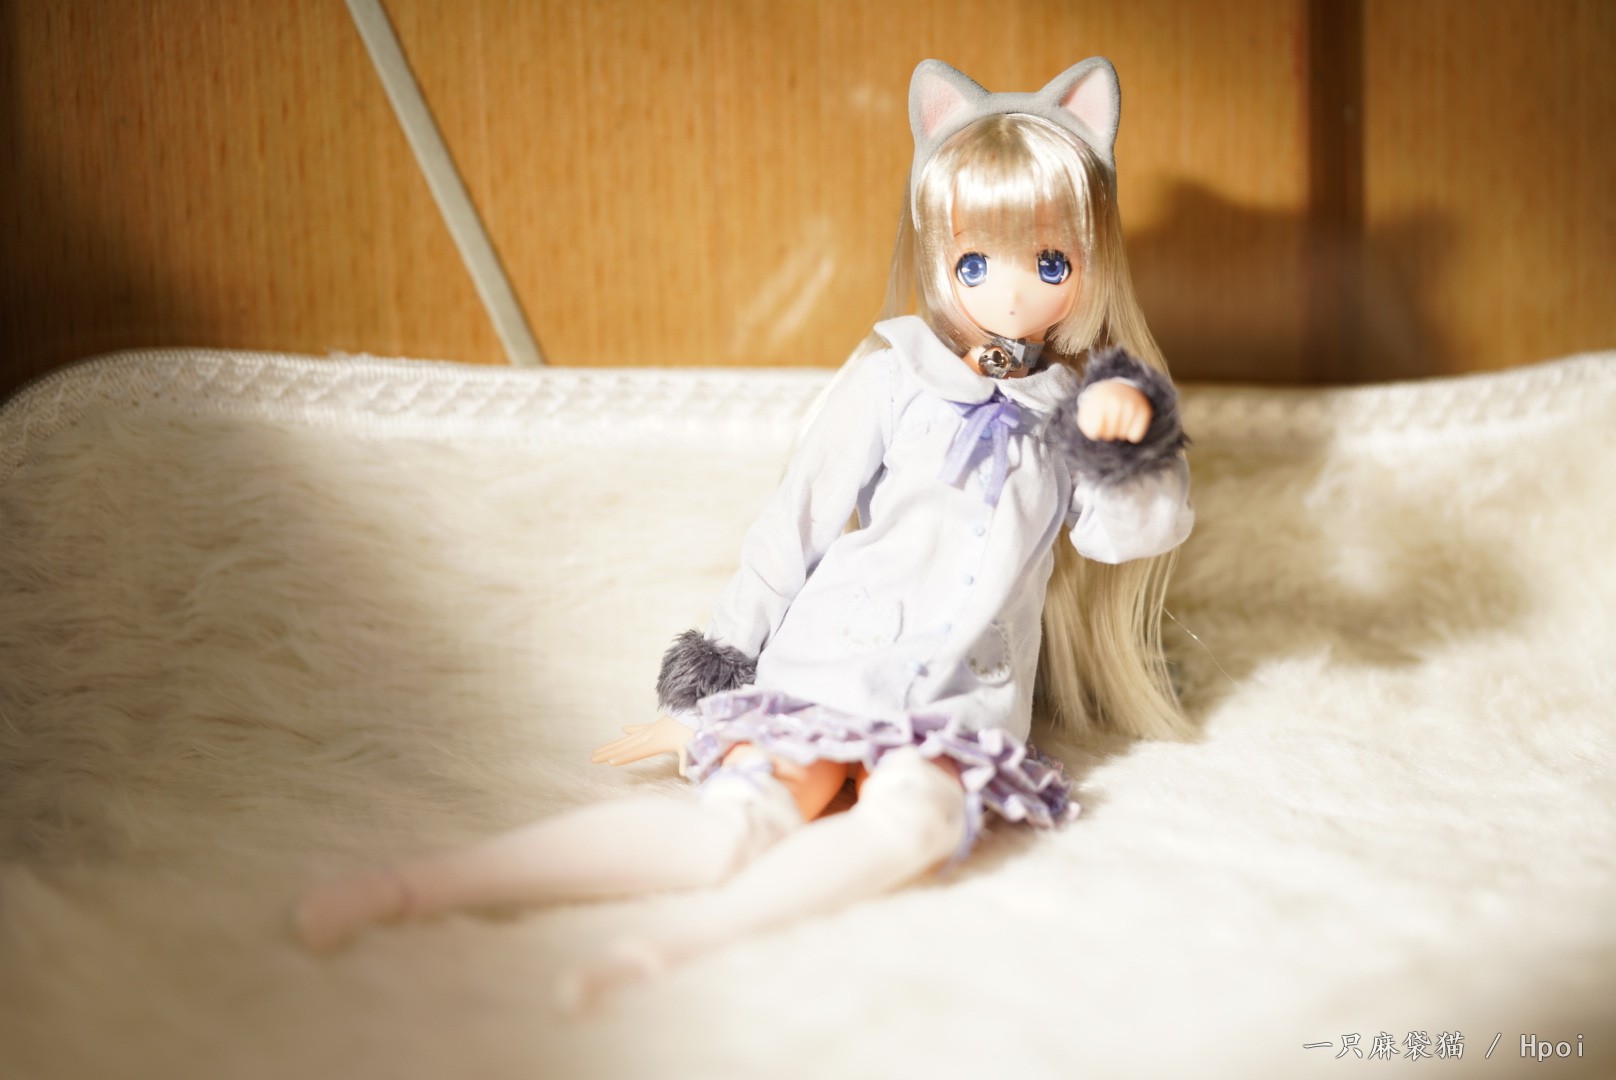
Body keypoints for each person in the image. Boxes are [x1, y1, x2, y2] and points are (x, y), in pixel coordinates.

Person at [295, 57, 1194, 1017]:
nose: (1011, 296)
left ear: (1090, 263)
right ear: (938, 252)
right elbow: (795, 522)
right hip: (830, 663)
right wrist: (716, 673)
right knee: (736, 825)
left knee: (920, 821)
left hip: (964, 700)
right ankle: (418, 888)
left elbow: (1126, 537)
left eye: (1049, 264)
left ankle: (670, 950)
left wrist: (1123, 442)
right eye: (976, 263)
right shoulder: (894, 374)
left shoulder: (1073, 407)